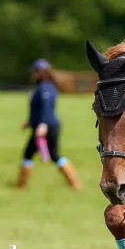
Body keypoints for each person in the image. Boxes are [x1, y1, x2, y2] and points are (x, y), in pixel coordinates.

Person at [17, 59, 81, 190]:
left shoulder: (45, 87)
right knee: (51, 155)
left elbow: (46, 108)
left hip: (47, 127)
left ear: (40, 72)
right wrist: (30, 122)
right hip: (46, 126)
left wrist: (43, 125)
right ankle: (74, 184)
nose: (33, 75)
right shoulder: (45, 86)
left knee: (32, 154)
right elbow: (38, 109)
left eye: (35, 72)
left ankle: (21, 186)